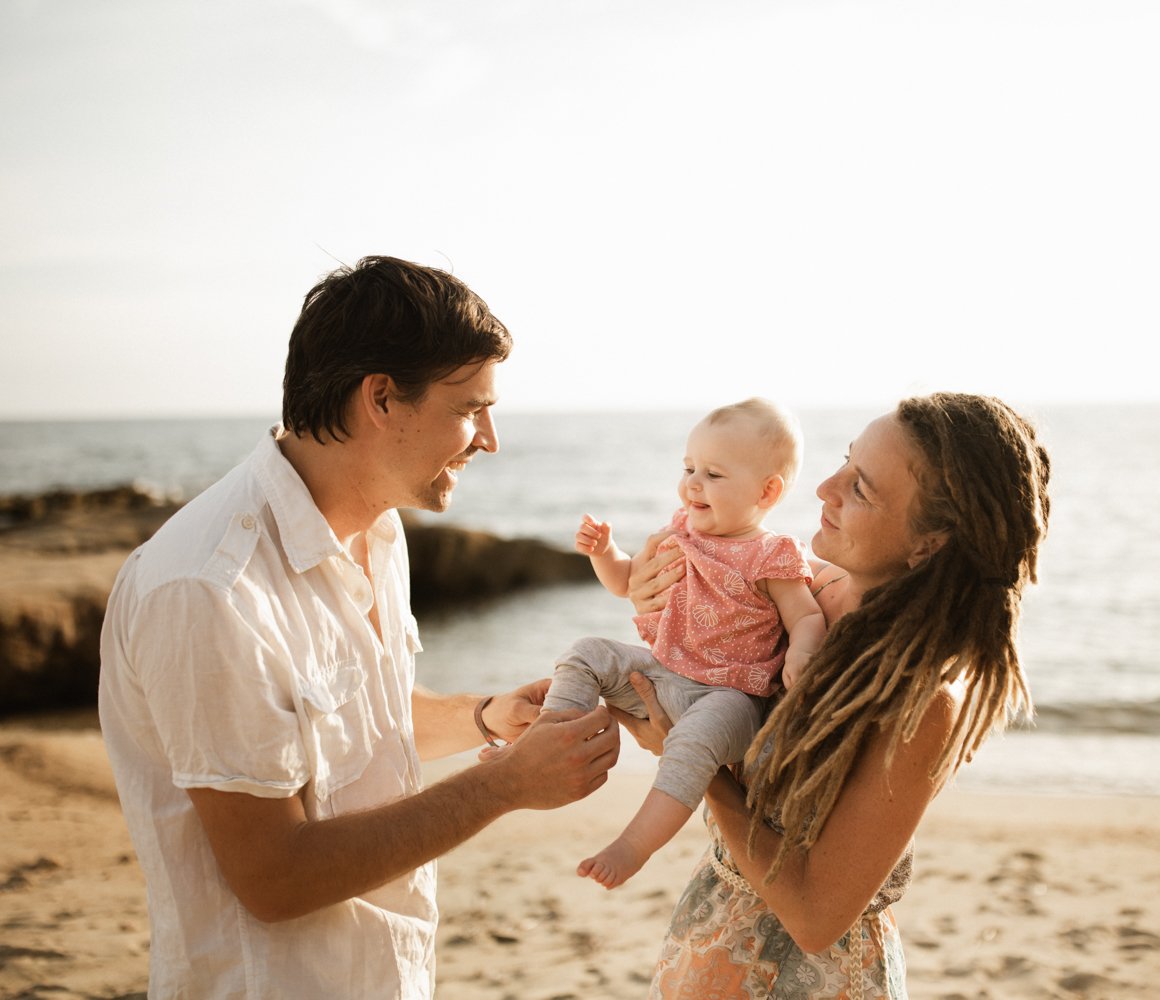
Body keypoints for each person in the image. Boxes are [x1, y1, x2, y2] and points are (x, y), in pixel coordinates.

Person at [97, 256, 621, 999]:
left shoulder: (377, 532)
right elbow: (274, 876)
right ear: (381, 398)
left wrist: (486, 718)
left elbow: (357, 721)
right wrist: (504, 787)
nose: (489, 439)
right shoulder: (209, 589)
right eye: (470, 408)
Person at [617, 392, 1050, 998]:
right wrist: (650, 595)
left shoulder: (919, 699)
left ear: (930, 542)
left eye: (862, 488)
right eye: (845, 461)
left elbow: (817, 916)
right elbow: (705, 647)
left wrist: (696, 763)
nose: (824, 487)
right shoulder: (813, 598)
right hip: (710, 945)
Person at [545, 397, 827, 889]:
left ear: (768, 490)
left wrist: (803, 650)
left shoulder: (772, 554)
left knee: (692, 745)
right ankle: (542, 741)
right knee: (588, 651)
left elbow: (805, 614)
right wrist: (606, 552)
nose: (693, 483)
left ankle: (633, 845)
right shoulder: (681, 530)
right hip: (659, 674)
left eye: (714, 475)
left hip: (729, 699)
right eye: (689, 467)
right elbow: (626, 582)